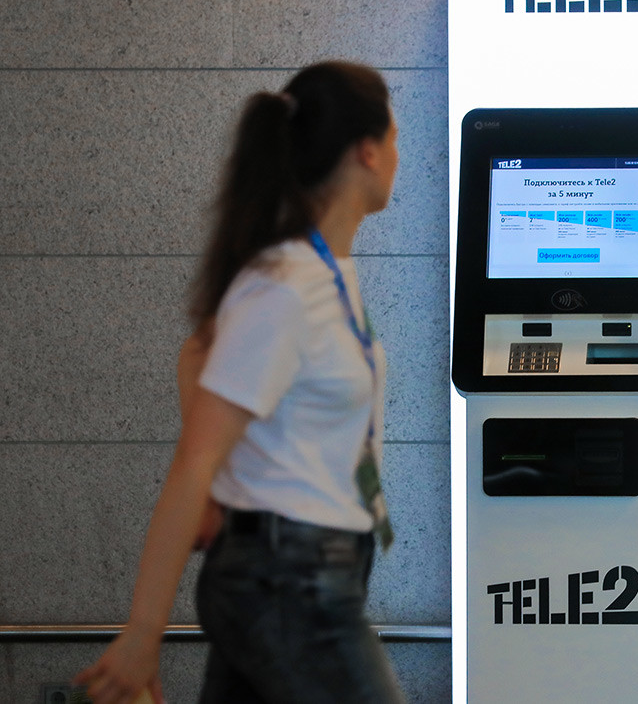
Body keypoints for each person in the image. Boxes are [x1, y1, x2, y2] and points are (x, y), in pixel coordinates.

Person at [75, 61, 405, 704]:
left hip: (304, 574)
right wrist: (144, 636)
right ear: (367, 151)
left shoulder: (319, 273)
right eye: (394, 137)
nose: (399, 154)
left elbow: (199, 352)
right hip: (286, 582)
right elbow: (194, 459)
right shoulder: (283, 287)